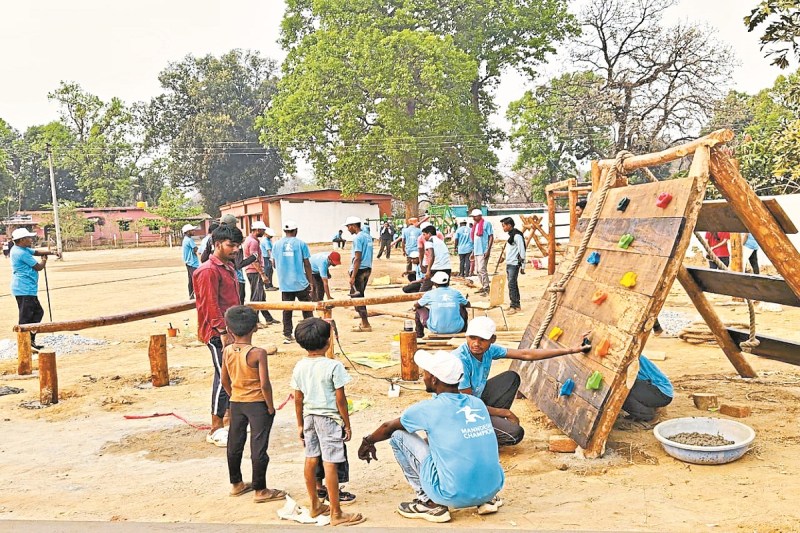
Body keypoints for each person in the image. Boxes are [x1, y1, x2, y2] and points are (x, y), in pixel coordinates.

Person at [357, 349, 504, 523]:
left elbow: (388, 427)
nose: (423, 377)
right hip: (492, 487)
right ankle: (485, 499)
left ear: (434, 379)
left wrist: (368, 441)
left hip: (453, 494)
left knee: (397, 435)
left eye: (425, 373)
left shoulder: (428, 409)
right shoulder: (477, 403)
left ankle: (427, 502)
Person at [454, 317, 589, 446]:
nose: (476, 343)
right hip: (460, 412)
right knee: (514, 433)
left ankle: (489, 425)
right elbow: (469, 404)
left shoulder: (489, 350)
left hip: (475, 401)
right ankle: (474, 438)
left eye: (482, 339)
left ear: (492, 340)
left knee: (510, 378)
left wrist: (571, 350)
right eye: (472, 338)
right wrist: (505, 413)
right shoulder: (461, 360)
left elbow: (526, 354)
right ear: (466, 336)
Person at [292, 318, 364, 526]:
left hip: (308, 418)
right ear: (328, 341)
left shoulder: (300, 366)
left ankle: (315, 504)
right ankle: (336, 513)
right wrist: (347, 423)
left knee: (311, 458)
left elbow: (298, 398)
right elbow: (340, 399)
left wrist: (299, 424)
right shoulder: (334, 366)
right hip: (329, 419)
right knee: (330, 462)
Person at [220, 306, 286, 503]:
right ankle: (260, 490)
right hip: (257, 403)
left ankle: (236, 484)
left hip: (237, 402)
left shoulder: (227, 351)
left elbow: (224, 380)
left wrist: (234, 395)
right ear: (255, 327)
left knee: (235, 443)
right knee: (258, 447)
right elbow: (265, 384)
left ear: (229, 329)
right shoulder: (258, 353)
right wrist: (270, 406)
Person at [193, 224, 244, 447]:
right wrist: (222, 331)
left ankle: (229, 420)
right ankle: (216, 427)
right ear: (216, 245)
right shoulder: (208, 271)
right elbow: (209, 304)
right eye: (230, 245)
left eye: (237, 245)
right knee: (222, 376)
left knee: (231, 375)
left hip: (232, 330)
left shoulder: (228, 267)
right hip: (218, 333)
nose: (235, 249)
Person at [10, 228, 60, 350]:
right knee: (26, 317)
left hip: (27, 288)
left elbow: (36, 252)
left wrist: (51, 252)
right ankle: (24, 345)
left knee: (37, 312)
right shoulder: (21, 253)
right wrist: (44, 260)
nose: (31, 239)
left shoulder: (21, 248)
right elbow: (38, 267)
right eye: (29, 238)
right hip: (24, 288)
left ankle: (30, 341)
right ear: (22, 240)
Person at [272, 221, 314, 344]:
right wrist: (310, 282)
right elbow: (307, 264)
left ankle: (287, 333)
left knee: (287, 309)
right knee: (306, 308)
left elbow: (274, 263)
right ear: (296, 230)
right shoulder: (301, 244)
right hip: (300, 282)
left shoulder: (276, 245)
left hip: (285, 283)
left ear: (285, 231)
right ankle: (310, 332)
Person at [413, 272, 469, 338]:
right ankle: (464, 330)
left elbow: (417, 305)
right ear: (448, 282)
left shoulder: (430, 294)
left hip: (436, 329)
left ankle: (419, 335)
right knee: (462, 307)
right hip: (456, 328)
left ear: (434, 283)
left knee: (419, 309)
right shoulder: (456, 293)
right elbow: (467, 304)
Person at [243, 221, 278, 326]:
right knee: (256, 297)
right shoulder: (253, 242)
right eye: (263, 230)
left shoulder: (251, 240)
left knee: (261, 296)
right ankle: (254, 321)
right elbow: (254, 260)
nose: (263, 232)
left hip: (252, 270)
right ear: (258, 230)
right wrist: (262, 274)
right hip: (254, 271)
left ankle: (268, 318)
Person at [621, 355, 673, 421]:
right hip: (655, 389)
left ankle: (647, 416)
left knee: (621, 393)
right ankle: (648, 410)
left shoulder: (629, 355)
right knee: (625, 389)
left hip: (661, 392)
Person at [345, 216, 373, 333]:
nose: (348, 229)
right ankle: (363, 322)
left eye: (348, 227)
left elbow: (357, 258)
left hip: (359, 269)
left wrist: (352, 276)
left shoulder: (358, 238)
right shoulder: (368, 236)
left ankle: (365, 323)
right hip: (367, 268)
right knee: (359, 294)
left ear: (353, 226)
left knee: (357, 297)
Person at [500, 217, 525, 315]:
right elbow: (511, 250)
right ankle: (516, 305)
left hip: (514, 264)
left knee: (511, 284)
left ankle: (513, 306)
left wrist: (523, 266)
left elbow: (522, 250)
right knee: (513, 284)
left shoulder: (517, 236)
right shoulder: (511, 236)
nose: (503, 228)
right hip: (509, 263)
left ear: (509, 225)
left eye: (504, 226)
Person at [420, 225, 452, 292]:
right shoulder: (441, 242)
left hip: (436, 267)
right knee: (444, 289)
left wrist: (428, 270)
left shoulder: (429, 242)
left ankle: (422, 301)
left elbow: (431, 256)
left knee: (424, 288)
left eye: (424, 234)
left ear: (429, 234)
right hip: (447, 267)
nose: (424, 237)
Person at [470, 209, 493, 295]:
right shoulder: (475, 226)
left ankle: (487, 288)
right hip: (476, 251)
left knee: (482, 269)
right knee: (477, 271)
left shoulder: (486, 224)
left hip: (483, 250)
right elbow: (475, 240)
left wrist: (488, 250)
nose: (473, 218)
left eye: (474, 216)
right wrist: (472, 252)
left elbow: (491, 236)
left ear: (479, 216)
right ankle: (483, 286)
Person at [181, 224, 200, 299]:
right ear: (188, 232)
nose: (194, 231)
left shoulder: (185, 239)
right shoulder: (189, 240)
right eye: (192, 230)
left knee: (191, 280)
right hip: (193, 263)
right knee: (195, 279)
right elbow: (196, 249)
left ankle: (191, 295)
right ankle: (197, 295)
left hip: (188, 262)